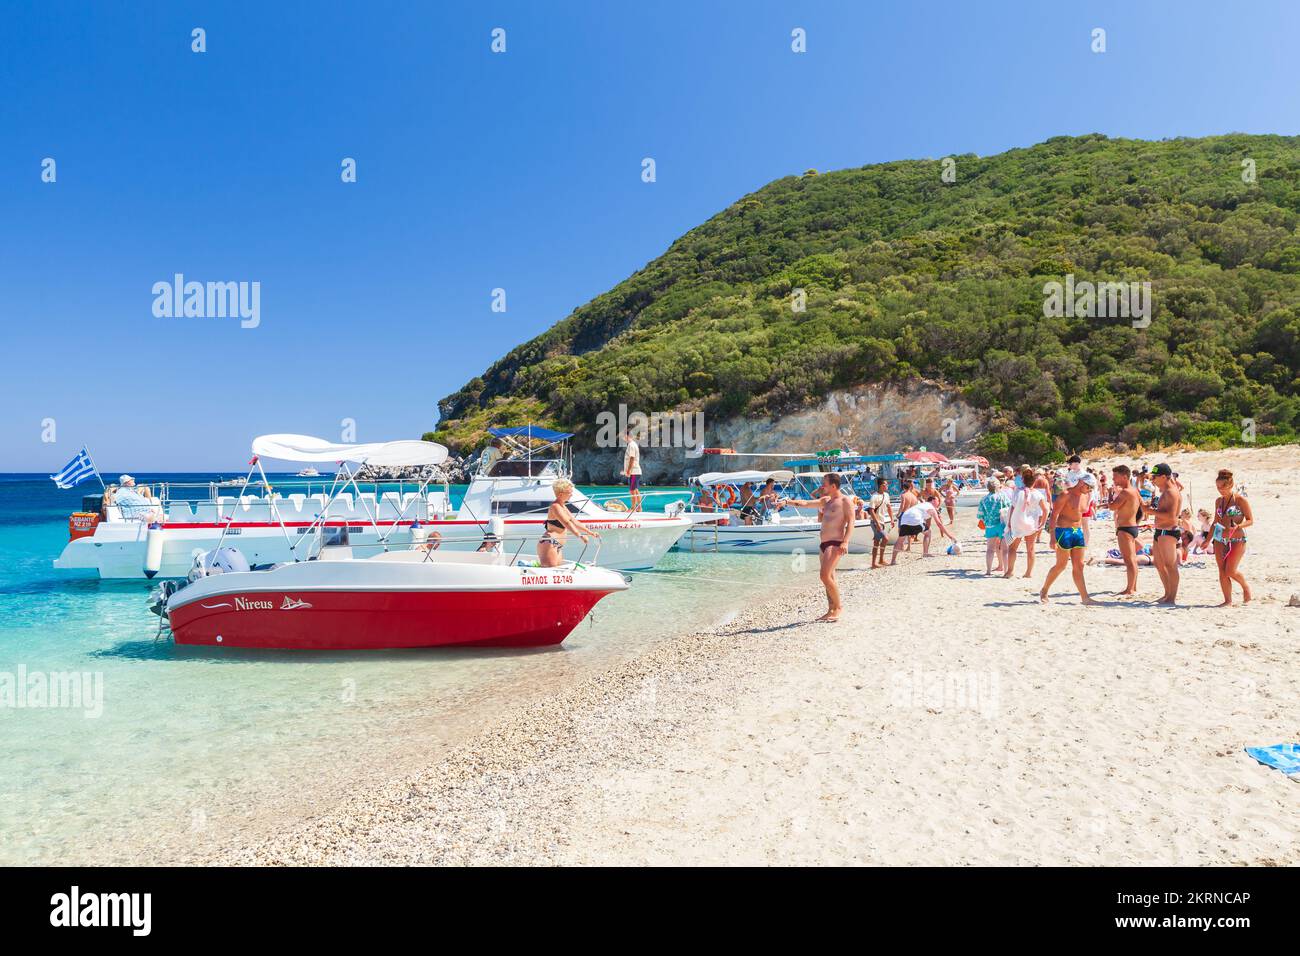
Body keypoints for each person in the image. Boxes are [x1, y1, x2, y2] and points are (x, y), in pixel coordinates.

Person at [779, 473, 855, 622]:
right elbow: (805, 504)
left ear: (833, 486)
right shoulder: (826, 501)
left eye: (824, 484)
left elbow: (851, 522)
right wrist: (786, 502)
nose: (822, 486)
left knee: (824, 576)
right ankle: (831, 609)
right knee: (830, 577)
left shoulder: (845, 501)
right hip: (823, 544)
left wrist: (845, 542)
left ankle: (838, 607)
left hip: (835, 543)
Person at [1039, 472, 1098, 606]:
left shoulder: (1085, 496)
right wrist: (1052, 537)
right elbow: (1054, 515)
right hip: (1063, 531)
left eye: (1091, 488)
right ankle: (1044, 590)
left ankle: (1085, 597)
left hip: (1077, 531)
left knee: (1079, 565)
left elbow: (1080, 514)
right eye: (1089, 487)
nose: (1090, 490)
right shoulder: (1066, 495)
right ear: (1082, 483)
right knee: (1061, 565)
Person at [1212, 468, 1253, 606]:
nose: (1220, 490)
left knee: (1230, 571)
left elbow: (1250, 520)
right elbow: (1215, 522)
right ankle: (1227, 600)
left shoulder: (1240, 500)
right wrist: (1206, 541)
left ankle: (1245, 586)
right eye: (1218, 487)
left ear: (1230, 485)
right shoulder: (1219, 501)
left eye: (1223, 487)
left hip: (1237, 539)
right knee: (1222, 571)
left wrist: (1238, 526)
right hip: (1219, 538)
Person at [537, 478, 599, 568]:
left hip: (557, 545)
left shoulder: (563, 506)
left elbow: (574, 521)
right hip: (549, 542)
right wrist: (579, 535)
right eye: (569, 492)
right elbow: (566, 523)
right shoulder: (555, 507)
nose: (571, 495)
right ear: (561, 494)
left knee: (556, 572)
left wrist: (590, 532)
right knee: (550, 572)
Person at [1002, 466, 1048, 578]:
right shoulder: (1037, 494)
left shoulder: (1017, 492)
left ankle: (1010, 572)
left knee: (1013, 548)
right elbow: (1045, 510)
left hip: (1017, 522)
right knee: (1030, 549)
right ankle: (1028, 573)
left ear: (1022, 480)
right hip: (1031, 524)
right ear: (1034, 481)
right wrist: (1042, 523)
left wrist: (1008, 522)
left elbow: (1012, 508)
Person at [1149, 463, 1182, 605]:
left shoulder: (1171, 492)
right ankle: (1167, 593)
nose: (1152, 480)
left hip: (1168, 531)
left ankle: (1172, 597)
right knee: (1159, 563)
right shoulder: (1166, 491)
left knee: (1170, 565)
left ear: (1163, 477)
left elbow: (1171, 516)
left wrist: (1150, 511)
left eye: (1154, 477)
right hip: (1160, 531)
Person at [889, 496, 955, 564]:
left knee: (900, 540)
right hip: (914, 518)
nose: (938, 502)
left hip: (904, 518)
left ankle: (893, 560)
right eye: (938, 500)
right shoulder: (931, 507)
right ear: (933, 500)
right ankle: (925, 553)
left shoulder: (922, 505)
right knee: (928, 532)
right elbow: (939, 524)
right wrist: (950, 536)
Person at [1110, 464, 1142, 597]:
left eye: (1116, 477)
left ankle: (1130, 589)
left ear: (1124, 476)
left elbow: (1112, 507)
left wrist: (1111, 494)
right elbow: (1142, 508)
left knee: (1129, 561)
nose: (1113, 480)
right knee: (1132, 560)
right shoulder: (1135, 491)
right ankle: (1133, 586)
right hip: (1133, 526)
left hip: (1125, 528)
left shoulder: (1125, 492)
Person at [976, 477, 1010, 575]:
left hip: (990, 526)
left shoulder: (984, 499)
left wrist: (987, 519)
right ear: (998, 486)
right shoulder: (1003, 497)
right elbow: (1009, 509)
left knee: (990, 549)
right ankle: (1005, 571)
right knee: (1004, 549)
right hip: (1002, 525)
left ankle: (988, 571)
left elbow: (980, 515)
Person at [866, 477, 894, 569]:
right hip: (875, 522)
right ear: (881, 485)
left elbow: (889, 507)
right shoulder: (874, 496)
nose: (887, 486)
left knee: (877, 542)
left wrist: (892, 519)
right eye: (886, 484)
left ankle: (877, 561)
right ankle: (878, 561)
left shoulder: (886, 495)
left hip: (882, 522)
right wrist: (877, 523)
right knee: (885, 538)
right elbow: (871, 510)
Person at [621, 430, 643, 513]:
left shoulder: (631, 445)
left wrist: (629, 471)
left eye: (623, 436)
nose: (623, 438)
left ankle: (633, 508)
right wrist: (626, 470)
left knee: (632, 490)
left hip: (634, 472)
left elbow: (632, 458)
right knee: (636, 490)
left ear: (627, 436)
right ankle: (639, 508)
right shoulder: (632, 445)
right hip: (635, 471)